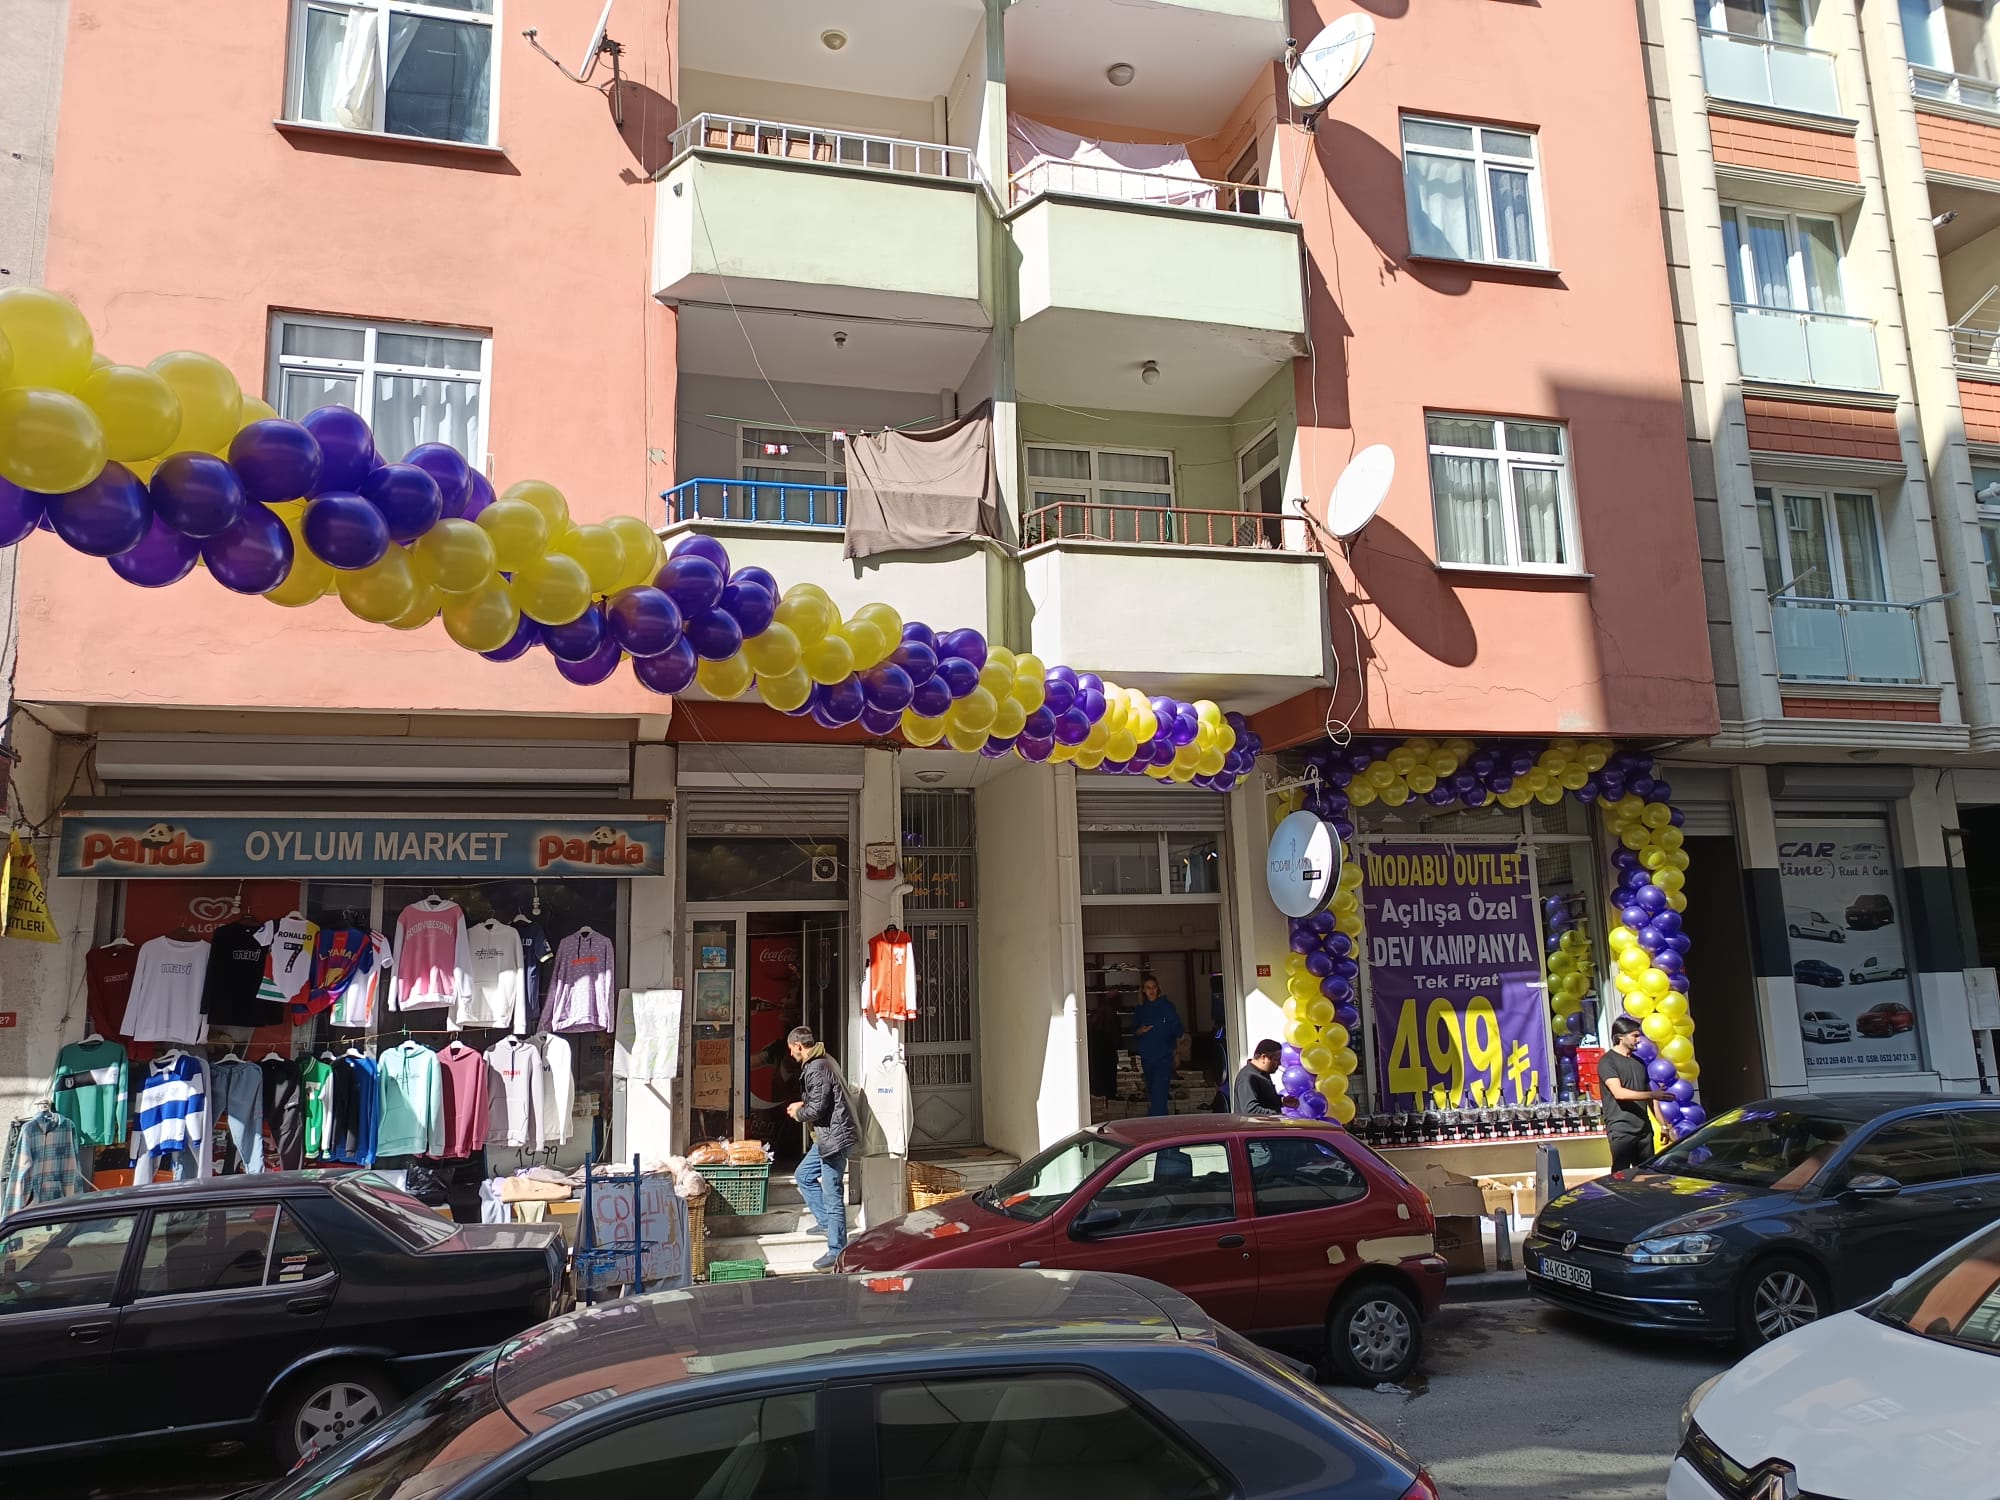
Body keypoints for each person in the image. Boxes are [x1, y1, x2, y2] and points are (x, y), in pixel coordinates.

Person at [784, 1026, 859, 1270]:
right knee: (803, 1175)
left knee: (832, 1193)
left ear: (798, 1046)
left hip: (834, 1138)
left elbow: (817, 1109)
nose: (791, 1054)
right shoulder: (824, 1060)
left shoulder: (816, 1067)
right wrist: (803, 1103)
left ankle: (837, 1251)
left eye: (791, 1049)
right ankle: (826, 1222)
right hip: (828, 1137)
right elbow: (822, 1098)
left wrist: (799, 1113)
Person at [1599, 1015, 1673, 1172]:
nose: (1639, 1040)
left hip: (1644, 1130)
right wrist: (1652, 1095)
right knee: (1621, 1174)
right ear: (1620, 1037)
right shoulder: (1607, 1061)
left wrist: (1664, 1126)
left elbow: (1651, 1098)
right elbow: (1619, 1093)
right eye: (1635, 1036)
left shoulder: (1639, 1062)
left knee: (1646, 1174)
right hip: (1621, 1129)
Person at [1130, 973, 1185, 1117]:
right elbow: (1134, 1031)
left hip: (1164, 1057)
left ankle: (1155, 1123)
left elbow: (1178, 1031)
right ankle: (1161, 1122)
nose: (1151, 990)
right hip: (1147, 1058)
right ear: (1143, 990)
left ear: (1158, 988)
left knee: (1159, 1094)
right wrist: (1140, 1030)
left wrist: (1177, 1053)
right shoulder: (1141, 1009)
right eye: (1148, 988)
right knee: (1153, 1093)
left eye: (1154, 987)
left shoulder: (1167, 1007)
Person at [1232, 1038, 1296, 1117]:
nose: (1279, 1064)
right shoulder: (1248, 1077)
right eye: (1276, 1060)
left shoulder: (1263, 1074)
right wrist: (1278, 1116)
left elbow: (1264, 1101)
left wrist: (1281, 1101)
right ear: (1264, 1057)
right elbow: (1250, 1111)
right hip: (1256, 1125)